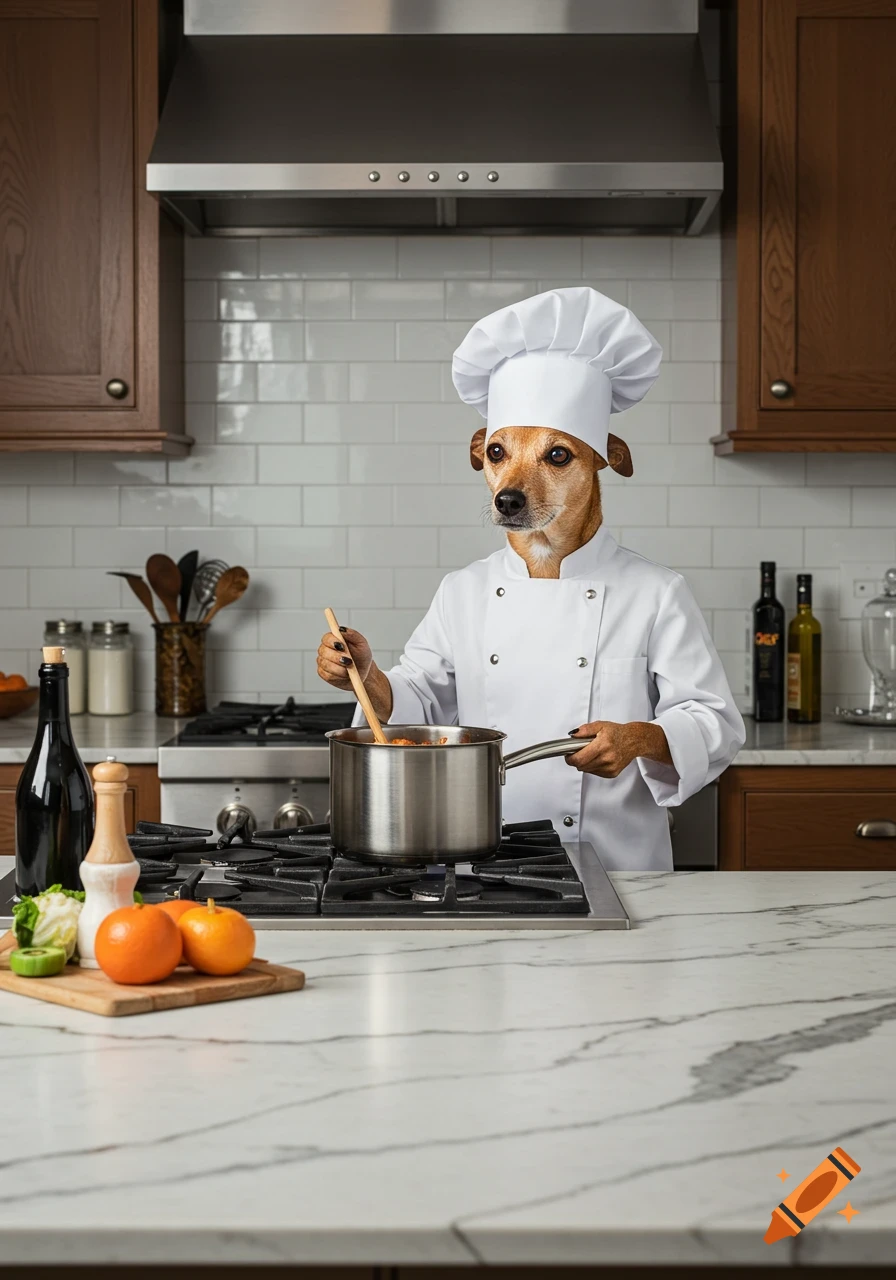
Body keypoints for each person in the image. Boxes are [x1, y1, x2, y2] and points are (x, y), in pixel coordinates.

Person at [318, 287, 744, 870]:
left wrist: (640, 738)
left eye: (556, 456)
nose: (514, 486)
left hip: (620, 867)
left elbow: (715, 722)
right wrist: (365, 676)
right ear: (482, 458)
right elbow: (419, 708)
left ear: (606, 460)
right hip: (484, 860)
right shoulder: (463, 592)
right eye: (500, 455)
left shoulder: (655, 592)